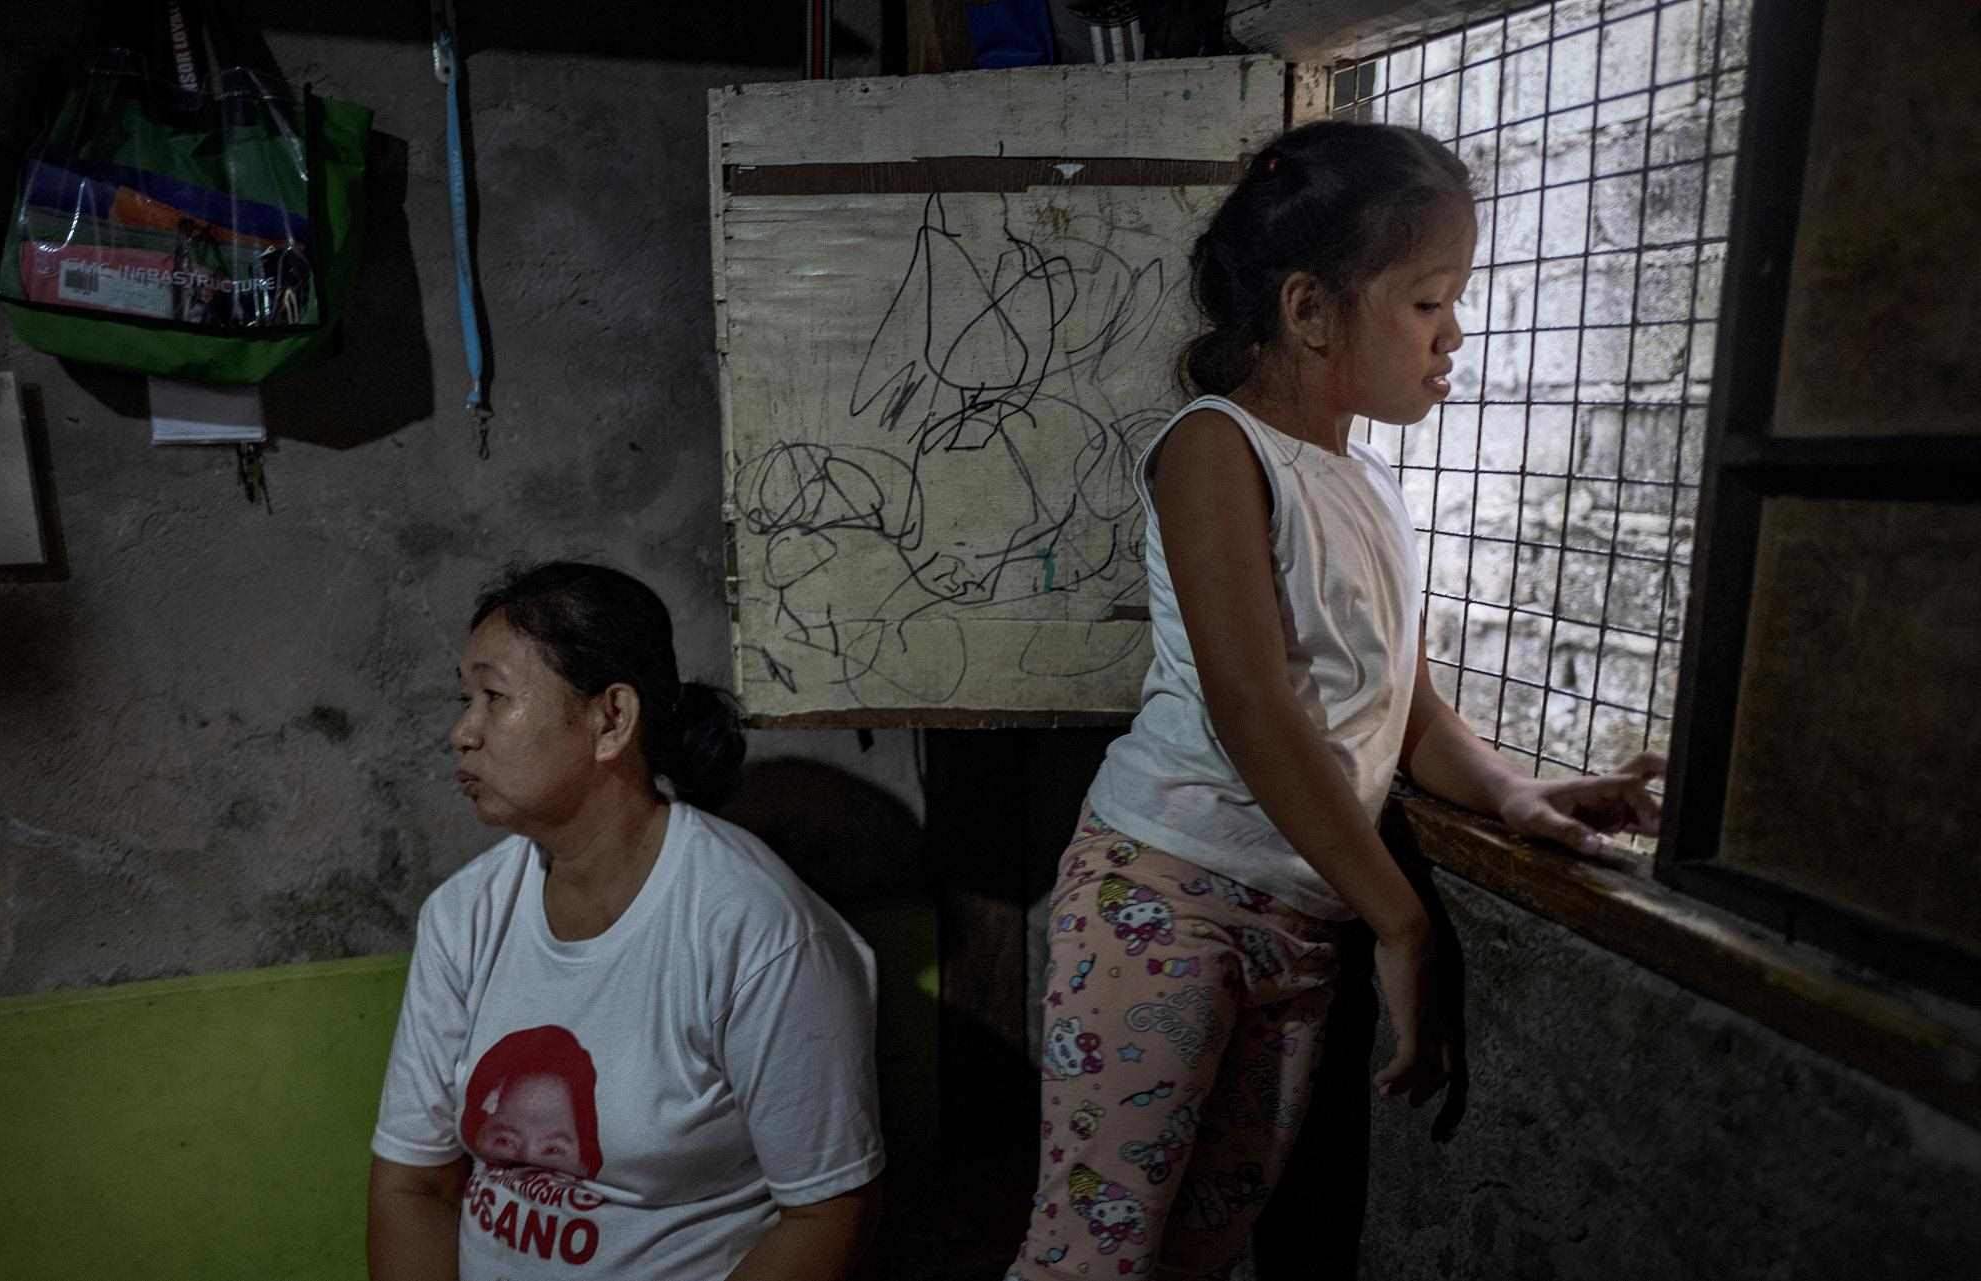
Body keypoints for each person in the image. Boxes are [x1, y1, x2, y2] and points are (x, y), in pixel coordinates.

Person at [1004, 120, 1664, 1280]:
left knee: (1203, 1246)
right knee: (1095, 1252)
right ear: (1309, 310)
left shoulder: (1369, 484)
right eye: (1426, 301)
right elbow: (1252, 710)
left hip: (1301, 918)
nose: (1453, 332)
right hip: (1166, 894)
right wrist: (1399, 920)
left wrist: (1516, 796)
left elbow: (1409, 712)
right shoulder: (1216, 448)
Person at [367, 561, 884, 1281]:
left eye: (494, 698)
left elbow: (826, 1213)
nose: (462, 732)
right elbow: (412, 1183)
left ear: (611, 719)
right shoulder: (465, 914)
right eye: (465, 700)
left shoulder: (753, 927)